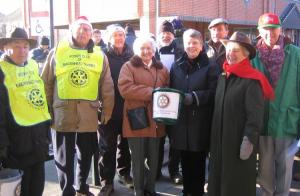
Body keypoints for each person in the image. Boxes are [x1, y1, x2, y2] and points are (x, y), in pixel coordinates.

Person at [41, 16, 114, 196]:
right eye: (80, 29)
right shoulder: (57, 51)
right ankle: (67, 191)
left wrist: (107, 110)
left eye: (87, 30)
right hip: (63, 112)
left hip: (88, 114)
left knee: (87, 153)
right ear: (72, 31)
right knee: (64, 157)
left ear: (91, 33)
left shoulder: (99, 55)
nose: (83, 33)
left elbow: (107, 85)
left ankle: (81, 187)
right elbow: (47, 83)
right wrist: (47, 110)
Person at [208, 31, 274, 196]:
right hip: (220, 142)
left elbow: (255, 115)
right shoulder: (224, 75)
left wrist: (248, 140)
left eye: (235, 50)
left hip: (238, 142)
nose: (230, 54)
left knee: (236, 184)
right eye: (229, 50)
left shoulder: (252, 80)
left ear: (245, 55)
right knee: (219, 182)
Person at [251, 13, 300, 196]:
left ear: (281, 29)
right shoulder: (252, 55)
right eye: (266, 29)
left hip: (287, 120)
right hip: (263, 121)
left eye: (274, 29)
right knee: (264, 168)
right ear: (259, 31)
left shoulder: (295, 54)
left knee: (285, 168)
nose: (270, 33)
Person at [0, 27, 51, 196]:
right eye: (16, 46)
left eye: (25, 46)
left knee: (37, 189)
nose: (22, 51)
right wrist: (3, 148)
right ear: (6, 47)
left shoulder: (32, 66)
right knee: (19, 192)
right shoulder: (2, 71)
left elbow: (40, 102)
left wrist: (46, 135)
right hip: (16, 146)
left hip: (37, 143)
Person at [169, 29, 218, 196]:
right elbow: (171, 90)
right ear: (184, 44)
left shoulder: (210, 65)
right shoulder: (176, 65)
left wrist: (195, 97)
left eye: (195, 43)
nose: (191, 46)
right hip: (181, 122)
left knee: (198, 163)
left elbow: (214, 92)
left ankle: (196, 192)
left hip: (200, 123)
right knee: (185, 161)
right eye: (188, 43)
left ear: (202, 44)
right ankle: (186, 192)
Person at [118, 36, 169, 196]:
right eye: (142, 48)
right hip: (137, 119)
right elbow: (125, 89)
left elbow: (167, 90)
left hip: (157, 120)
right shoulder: (128, 67)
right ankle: (139, 191)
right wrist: (152, 93)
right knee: (138, 160)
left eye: (149, 48)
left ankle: (151, 188)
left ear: (154, 50)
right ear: (136, 50)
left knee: (154, 160)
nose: (146, 51)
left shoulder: (162, 69)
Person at [98, 24, 133, 196]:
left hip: (128, 109)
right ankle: (107, 182)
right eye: (115, 35)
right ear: (108, 38)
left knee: (125, 146)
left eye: (121, 34)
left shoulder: (132, 55)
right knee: (107, 148)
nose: (119, 38)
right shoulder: (101, 55)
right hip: (108, 109)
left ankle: (124, 174)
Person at [155, 20, 184, 184]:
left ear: (173, 35)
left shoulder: (181, 52)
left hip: (175, 101)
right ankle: (156, 170)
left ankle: (174, 171)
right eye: (163, 33)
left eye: (168, 33)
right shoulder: (152, 52)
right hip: (157, 101)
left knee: (175, 140)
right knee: (158, 139)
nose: (166, 36)